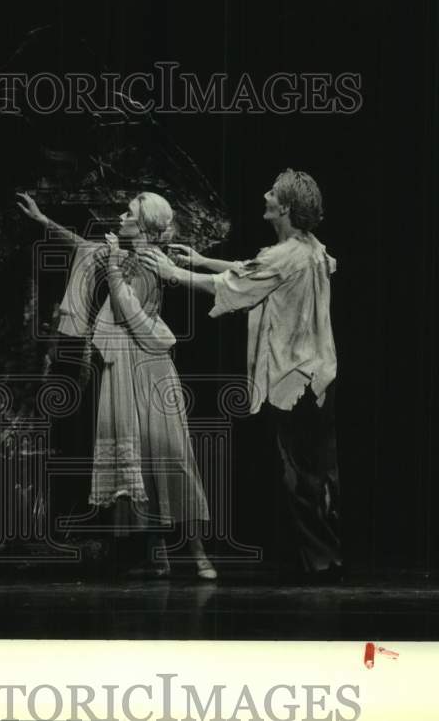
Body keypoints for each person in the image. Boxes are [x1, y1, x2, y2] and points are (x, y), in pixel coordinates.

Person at [140, 169, 341, 580]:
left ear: (284, 207)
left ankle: (320, 565)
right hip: (319, 374)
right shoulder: (307, 248)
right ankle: (326, 559)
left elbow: (234, 286)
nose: (265, 195)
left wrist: (173, 273)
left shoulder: (286, 255)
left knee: (301, 476)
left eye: (272, 193)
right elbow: (252, 269)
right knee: (316, 472)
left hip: (296, 378)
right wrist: (199, 259)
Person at [17, 191, 217, 579]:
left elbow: (131, 312)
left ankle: (197, 552)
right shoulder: (120, 254)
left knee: (172, 453)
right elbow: (80, 244)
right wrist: (43, 221)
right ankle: (157, 551)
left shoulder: (151, 261)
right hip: (119, 363)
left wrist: (109, 265)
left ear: (142, 224)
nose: (121, 216)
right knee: (138, 459)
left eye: (129, 213)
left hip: (150, 364)